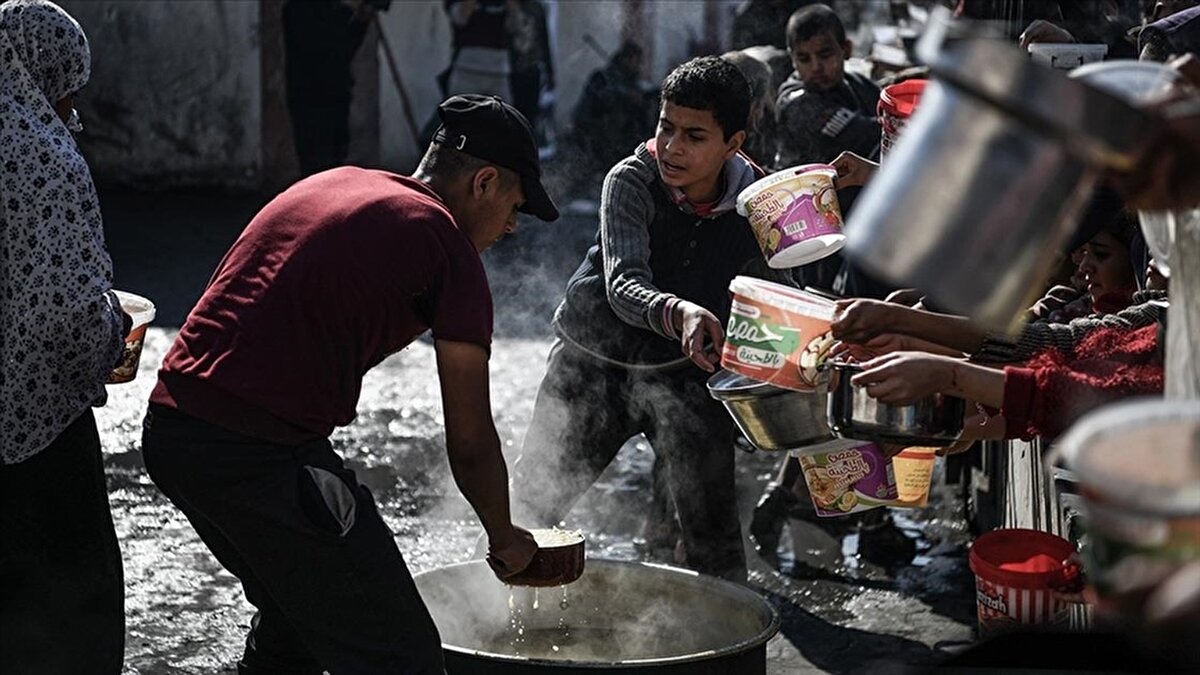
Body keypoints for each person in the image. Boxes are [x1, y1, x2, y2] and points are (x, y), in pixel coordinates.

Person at [140, 95, 557, 674]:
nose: (512, 227)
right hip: (256, 453)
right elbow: (469, 439)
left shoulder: (338, 181)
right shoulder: (447, 247)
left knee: (298, 618)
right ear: (484, 182)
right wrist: (504, 536)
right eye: (516, 207)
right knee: (403, 653)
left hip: (172, 432)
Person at [511, 56, 797, 582]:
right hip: (594, 368)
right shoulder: (631, 180)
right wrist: (680, 311)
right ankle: (499, 632)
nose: (672, 147)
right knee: (529, 511)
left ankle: (718, 650)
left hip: (688, 378)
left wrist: (832, 330)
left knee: (713, 542)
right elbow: (623, 285)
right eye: (666, 127)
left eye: (694, 135)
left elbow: (781, 293)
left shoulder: (758, 199)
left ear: (734, 144)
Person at [0, 1, 128, 672]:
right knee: (71, 616)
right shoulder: (45, 159)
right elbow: (70, 317)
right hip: (35, 430)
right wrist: (114, 337)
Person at [283, 0, 390, 177]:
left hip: (330, 93)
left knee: (332, 152)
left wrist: (361, 20)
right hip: (313, 94)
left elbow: (346, 46)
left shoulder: (334, 14)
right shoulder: (306, 12)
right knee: (317, 155)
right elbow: (335, 48)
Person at [775, 3, 881, 168]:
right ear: (792, 59)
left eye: (825, 55)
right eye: (804, 59)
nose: (816, 67)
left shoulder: (855, 83)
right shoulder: (797, 103)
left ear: (846, 49)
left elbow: (885, 104)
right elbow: (871, 133)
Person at [506, 0, 554, 140]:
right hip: (510, 72)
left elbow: (544, 40)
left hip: (532, 70)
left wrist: (550, 70)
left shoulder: (537, 7)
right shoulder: (508, 6)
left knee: (529, 118)